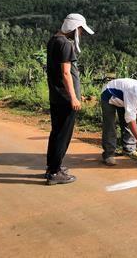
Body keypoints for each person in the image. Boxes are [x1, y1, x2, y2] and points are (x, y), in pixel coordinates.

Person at [45, 13, 94, 185]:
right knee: (62, 135)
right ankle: (55, 172)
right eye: (80, 30)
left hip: (56, 95)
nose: (80, 34)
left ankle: (52, 167)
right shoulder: (65, 44)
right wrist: (73, 97)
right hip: (65, 98)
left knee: (56, 133)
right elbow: (66, 73)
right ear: (74, 28)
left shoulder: (54, 40)